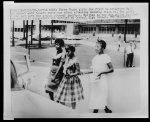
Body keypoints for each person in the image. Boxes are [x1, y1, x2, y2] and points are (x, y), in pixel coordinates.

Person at [82, 40, 114, 113]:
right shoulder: (95, 58)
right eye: (95, 46)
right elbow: (93, 70)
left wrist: (101, 72)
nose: (95, 48)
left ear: (102, 48)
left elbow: (112, 69)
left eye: (97, 46)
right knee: (95, 97)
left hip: (102, 80)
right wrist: (84, 72)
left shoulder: (106, 56)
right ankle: (105, 109)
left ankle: (98, 112)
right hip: (95, 80)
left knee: (100, 96)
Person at [54, 45, 84, 109]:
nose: (67, 53)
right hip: (65, 79)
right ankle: (63, 110)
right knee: (62, 96)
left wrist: (71, 75)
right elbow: (63, 67)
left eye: (69, 51)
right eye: (66, 51)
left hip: (72, 80)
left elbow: (78, 72)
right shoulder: (67, 58)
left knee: (72, 97)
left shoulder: (75, 60)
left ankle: (73, 111)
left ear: (73, 51)